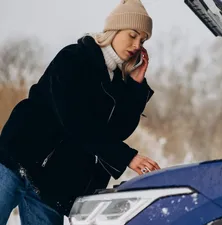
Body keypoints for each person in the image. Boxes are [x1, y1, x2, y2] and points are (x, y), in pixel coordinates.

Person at [0, 0, 160, 224]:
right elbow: (75, 121)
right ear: (114, 30)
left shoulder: (119, 82)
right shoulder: (75, 58)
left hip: (53, 185)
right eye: (132, 35)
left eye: (142, 40)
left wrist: (134, 86)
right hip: (17, 158)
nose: (137, 44)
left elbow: (116, 132)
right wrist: (128, 157)